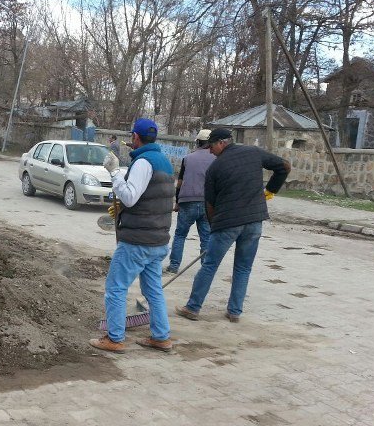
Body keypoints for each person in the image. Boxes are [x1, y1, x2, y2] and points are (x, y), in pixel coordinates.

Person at [176, 128, 291, 323]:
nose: (210, 151)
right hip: (254, 221)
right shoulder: (253, 152)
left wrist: (213, 228)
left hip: (228, 222)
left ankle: (193, 307)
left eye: (211, 146)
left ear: (221, 143)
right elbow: (285, 166)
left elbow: (210, 205)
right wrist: (271, 190)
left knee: (210, 265)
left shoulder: (215, 168)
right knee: (243, 268)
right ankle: (234, 312)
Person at [90, 118, 175, 353]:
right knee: (153, 290)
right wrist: (122, 211)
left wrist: (115, 172)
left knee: (116, 287)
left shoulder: (143, 162)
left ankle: (114, 339)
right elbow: (152, 198)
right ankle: (161, 337)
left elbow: (129, 197)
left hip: (138, 241)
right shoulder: (164, 162)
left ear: (135, 137)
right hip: (158, 239)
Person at [166, 128, 215, 274]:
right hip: (207, 203)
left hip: (187, 201)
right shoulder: (217, 159)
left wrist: (177, 201)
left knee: (180, 235)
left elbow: (180, 182)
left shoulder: (188, 158)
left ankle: (174, 266)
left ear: (199, 142)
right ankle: (205, 268)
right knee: (206, 237)